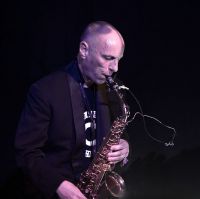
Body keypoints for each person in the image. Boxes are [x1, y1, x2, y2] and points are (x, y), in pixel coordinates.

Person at [14, 21, 130, 199]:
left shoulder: (112, 90)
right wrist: (57, 184)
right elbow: (26, 152)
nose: (115, 68)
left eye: (118, 60)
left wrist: (125, 146)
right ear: (84, 50)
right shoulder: (45, 91)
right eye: (108, 58)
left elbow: (118, 130)